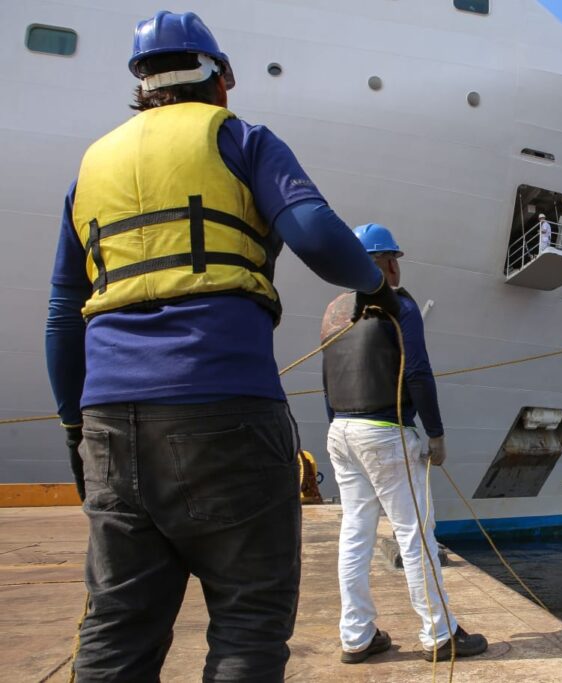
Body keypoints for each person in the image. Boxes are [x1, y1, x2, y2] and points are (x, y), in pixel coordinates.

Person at [44, 11, 398, 682]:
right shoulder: (242, 139)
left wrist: (75, 427)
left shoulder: (88, 171)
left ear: (141, 87)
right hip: (225, 409)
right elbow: (320, 238)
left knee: (117, 628)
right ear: (223, 80)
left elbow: (64, 318)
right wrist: (369, 283)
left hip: (110, 424)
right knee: (246, 621)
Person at [320, 224, 488, 664]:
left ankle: (356, 637)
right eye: (392, 257)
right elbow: (417, 371)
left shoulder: (334, 311)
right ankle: (439, 633)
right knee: (415, 534)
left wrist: (338, 430)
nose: (396, 265)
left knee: (355, 532)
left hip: (341, 432)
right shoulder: (400, 305)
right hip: (385, 431)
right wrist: (435, 432)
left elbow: (326, 382)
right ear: (385, 262)